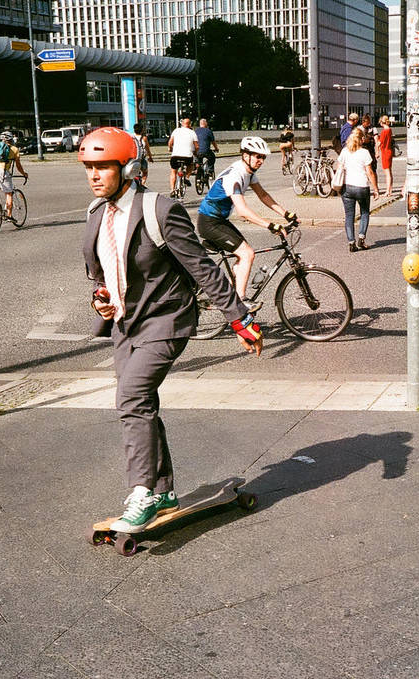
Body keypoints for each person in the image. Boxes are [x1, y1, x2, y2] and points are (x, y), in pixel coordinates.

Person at [80, 127, 263, 533]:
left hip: (167, 321)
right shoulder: (94, 215)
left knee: (131, 396)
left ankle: (142, 492)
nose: (94, 175)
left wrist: (240, 317)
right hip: (125, 325)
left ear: (127, 168)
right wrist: (101, 299)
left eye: (102, 167)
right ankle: (163, 490)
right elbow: (100, 276)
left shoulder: (158, 210)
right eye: (89, 167)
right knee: (140, 404)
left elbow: (201, 266)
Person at [196, 136, 297, 308]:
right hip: (209, 223)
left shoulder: (249, 173)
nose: (261, 161)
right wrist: (270, 225)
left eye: (263, 157)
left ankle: (229, 294)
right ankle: (240, 301)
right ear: (245, 155)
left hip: (219, 220)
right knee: (247, 254)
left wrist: (285, 213)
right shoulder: (235, 176)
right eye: (257, 156)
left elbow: (263, 195)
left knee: (244, 254)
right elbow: (243, 211)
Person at [336, 127, 380, 252]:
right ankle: (361, 238)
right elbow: (370, 172)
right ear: (361, 139)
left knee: (349, 216)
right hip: (362, 187)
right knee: (364, 212)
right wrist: (376, 189)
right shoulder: (364, 152)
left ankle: (351, 242)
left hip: (347, 187)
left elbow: (339, 168)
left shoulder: (344, 151)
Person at [0, 131, 28, 221]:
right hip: (2, 170)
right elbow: (18, 165)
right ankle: (9, 215)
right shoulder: (14, 149)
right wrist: (24, 174)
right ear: (11, 139)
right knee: (9, 193)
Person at [167, 118, 198, 197]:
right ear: (190, 124)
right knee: (190, 165)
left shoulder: (176, 131)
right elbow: (197, 146)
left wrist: (170, 148)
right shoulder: (192, 132)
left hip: (175, 156)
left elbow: (170, 142)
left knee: (173, 172)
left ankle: (172, 190)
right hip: (187, 156)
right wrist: (195, 152)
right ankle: (187, 178)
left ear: (182, 124)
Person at [376, 115, 395, 196]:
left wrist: (377, 141)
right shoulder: (389, 130)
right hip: (389, 151)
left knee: (387, 173)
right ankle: (390, 190)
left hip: (385, 152)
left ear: (381, 122)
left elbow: (379, 143)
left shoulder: (384, 131)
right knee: (390, 172)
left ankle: (387, 191)